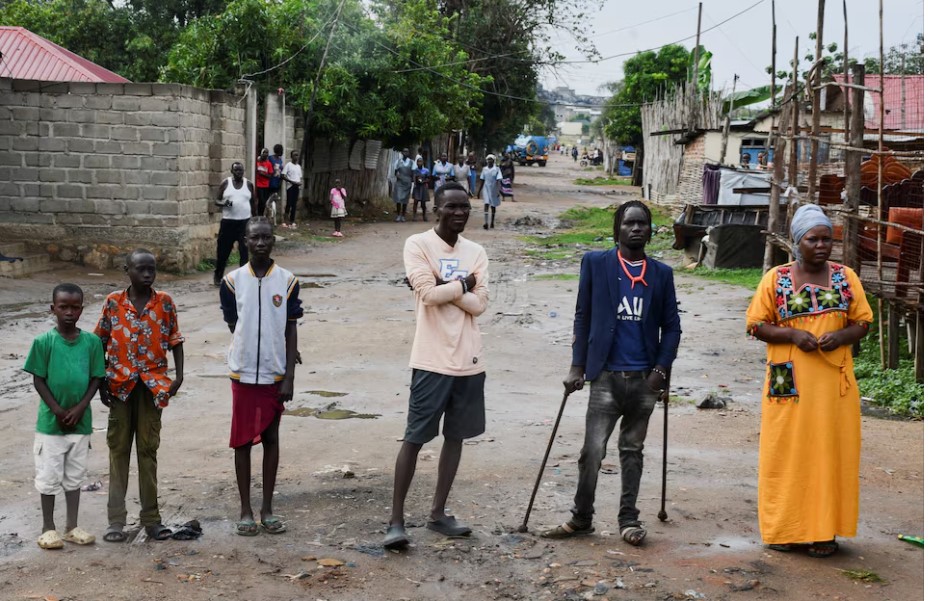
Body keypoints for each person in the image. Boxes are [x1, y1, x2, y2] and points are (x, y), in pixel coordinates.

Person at [542, 200, 681, 547]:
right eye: (629, 223)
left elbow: (672, 327)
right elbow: (582, 315)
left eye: (642, 224)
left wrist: (661, 372)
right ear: (616, 229)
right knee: (592, 452)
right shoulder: (596, 264)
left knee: (632, 451)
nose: (636, 229)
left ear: (650, 231)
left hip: (644, 379)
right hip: (605, 376)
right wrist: (577, 365)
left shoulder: (661, 274)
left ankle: (629, 519)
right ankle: (581, 518)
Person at [745, 204, 872, 558]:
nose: (821, 246)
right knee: (786, 453)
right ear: (797, 242)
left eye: (826, 239)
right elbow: (756, 324)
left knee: (831, 453)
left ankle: (823, 532)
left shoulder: (847, 278)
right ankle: (784, 530)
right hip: (789, 382)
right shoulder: (776, 278)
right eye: (813, 239)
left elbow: (863, 321)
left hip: (833, 384)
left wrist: (843, 336)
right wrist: (791, 336)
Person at [383, 182, 490, 550]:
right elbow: (427, 296)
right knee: (414, 437)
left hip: (468, 361)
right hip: (430, 359)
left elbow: (481, 305)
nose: (459, 213)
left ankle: (438, 513)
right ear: (436, 209)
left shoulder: (476, 251)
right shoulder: (417, 244)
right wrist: (466, 284)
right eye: (451, 207)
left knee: (456, 437)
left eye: (465, 208)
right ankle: (396, 521)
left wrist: (451, 286)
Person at [95, 249, 185, 543]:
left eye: (151, 269)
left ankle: (152, 519)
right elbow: (99, 341)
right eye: (140, 269)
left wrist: (179, 375)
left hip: (152, 389)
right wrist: (99, 382)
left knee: (148, 451)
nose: (147, 274)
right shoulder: (113, 303)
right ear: (127, 270)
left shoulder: (165, 303)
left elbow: (175, 339)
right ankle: (116, 521)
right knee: (118, 451)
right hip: (119, 388)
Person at [220, 217, 303, 536]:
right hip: (242, 372)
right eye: (254, 238)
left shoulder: (288, 280)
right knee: (242, 441)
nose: (260, 243)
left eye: (266, 238)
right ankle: (245, 510)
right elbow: (233, 323)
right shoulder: (231, 281)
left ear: (273, 241)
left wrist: (289, 375)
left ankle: (267, 508)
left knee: (271, 438)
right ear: (244, 241)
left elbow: (291, 325)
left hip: (274, 372)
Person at [24, 283, 105, 550]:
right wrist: (57, 410)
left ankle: (72, 527)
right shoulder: (43, 342)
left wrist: (81, 406)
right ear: (53, 309)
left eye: (75, 307)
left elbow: (95, 378)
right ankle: (48, 528)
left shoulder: (92, 342)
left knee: (74, 476)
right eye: (63, 307)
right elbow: (39, 380)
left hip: (80, 424)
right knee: (48, 476)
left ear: (82, 309)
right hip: (51, 424)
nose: (69, 312)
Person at [214, 162, 256, 286]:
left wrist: (256, 218)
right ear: (232, 171)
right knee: (223, 252)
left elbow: (253, 202)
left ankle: (244, 278)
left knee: (244, 251)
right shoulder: (226, 183)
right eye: (236, 171)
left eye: (241, 171)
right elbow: (217, 200)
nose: (239, 173)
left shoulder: (248, 184)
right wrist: (224, 203)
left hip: (244, 222)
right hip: (228, 223)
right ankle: (218, 276)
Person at [475, 154, 502, 230]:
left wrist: (498, 190)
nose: (489, 161)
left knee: (493, 206)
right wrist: (478, 192)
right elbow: (482, 180)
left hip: (493, 188)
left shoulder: (497, 169)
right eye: (488, 159)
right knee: (486, 204)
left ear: (493, 161)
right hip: (486, 188)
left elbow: (498, 180)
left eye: (491, 159)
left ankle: (492, 222)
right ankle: (486, 222)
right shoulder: (484, 169)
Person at [281, 150, 303, 230]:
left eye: (297, 155)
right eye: (294, 155)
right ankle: (285, 221)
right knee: (289, 204)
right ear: (291, 156)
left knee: (294, 205)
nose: (296, 157)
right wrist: (291, 181)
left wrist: (299, 184)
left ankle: (292, 221)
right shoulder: (288, 165)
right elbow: (283, 175)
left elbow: (299, 177)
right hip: (290, 187)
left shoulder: (298, 166)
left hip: (296, 187)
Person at [393, 148, 414, 222]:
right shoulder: (398, 161)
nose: (405, 153)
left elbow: (413, 173)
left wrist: (412, 181)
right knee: (398, 198)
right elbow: (395, 172)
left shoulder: (411, 162)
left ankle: (403, 215)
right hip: (399, 181)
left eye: (407, 152)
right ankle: (398, 215)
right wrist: (397, 176)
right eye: (404, 151)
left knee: (405, 199)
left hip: (407, 181)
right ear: (402, 152)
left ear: (408, 153)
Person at [412, 157, 431, 222]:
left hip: (423, 187)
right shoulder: (415, 170)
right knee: (415, 201)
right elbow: (413, 178)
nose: (419, 163)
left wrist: (424, 181)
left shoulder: (426, 170)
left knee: (423, 203)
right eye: (418, 162)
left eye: (420, 162)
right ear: (416, 163)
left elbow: (429, 179)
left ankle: (424, 215)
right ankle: (414, 216)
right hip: (417, 187)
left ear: (423, 163)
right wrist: (416, 182)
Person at [255, 148, 273, 216]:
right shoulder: (257, 162)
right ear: (261, 153)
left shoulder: (269, 164)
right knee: (261, 201)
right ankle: (259, 215)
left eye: (267, 152)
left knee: (264, 202)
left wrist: (262, 174)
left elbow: (270, 175)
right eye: (264, 152)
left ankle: (261, 215)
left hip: (266, 185)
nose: (265, 154)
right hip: (259, 185)